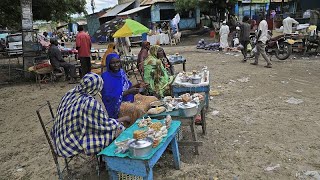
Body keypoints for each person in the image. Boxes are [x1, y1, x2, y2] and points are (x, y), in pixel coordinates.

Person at [51, 73, 130, 157]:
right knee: (118, 129)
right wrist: (123, 119)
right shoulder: (89, 103)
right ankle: (109, 159)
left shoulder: (70, 93)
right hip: (70, 144)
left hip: (60, 137)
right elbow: (104, 124)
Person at [101, 53, 154, 125]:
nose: (116, 65)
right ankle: (138, 128)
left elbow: (127, 86)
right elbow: (108, 97)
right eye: (112, 63)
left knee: (152, 99)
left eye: (117, 62)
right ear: (108, 64)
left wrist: (138, 85)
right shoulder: (106, 77)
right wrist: (127, 92)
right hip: (117, 104)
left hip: (129, 97)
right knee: (139, 110)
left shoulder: (121, 72)